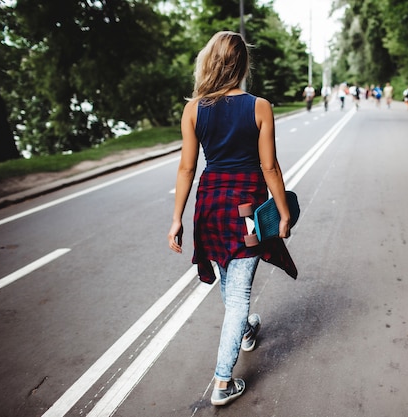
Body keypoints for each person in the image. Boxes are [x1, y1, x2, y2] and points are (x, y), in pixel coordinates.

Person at [167, 31, 297, 407]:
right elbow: (268, 166)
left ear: (209, 62)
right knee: (237, 294)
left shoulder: (193, 109)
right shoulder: (259, 106)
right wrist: (283, 211)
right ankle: (223, 382)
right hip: (245, 210)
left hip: (209, 206)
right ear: (242, 65)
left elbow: (187, 168)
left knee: (230, 282)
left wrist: (176, 218)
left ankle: (245, 328)